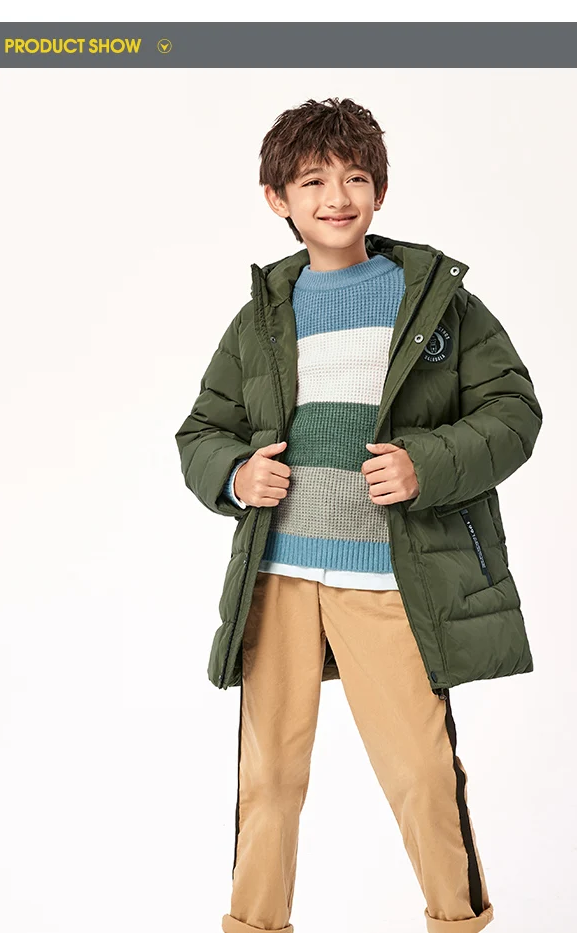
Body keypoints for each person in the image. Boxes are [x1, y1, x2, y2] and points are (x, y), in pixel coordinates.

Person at [175, 96, 543, 933]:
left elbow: (514, 411)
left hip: (390, 578)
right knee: (268, 783)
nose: (337, 196)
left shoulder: (436, 301)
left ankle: (457, 922)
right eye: (313, 180)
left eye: (354, 177)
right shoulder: (263, 316)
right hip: (280, 578)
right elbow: (202, 430)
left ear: (380, 189)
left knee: (422, 773)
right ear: (278, 198)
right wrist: (236, 475)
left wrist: (426, 464)